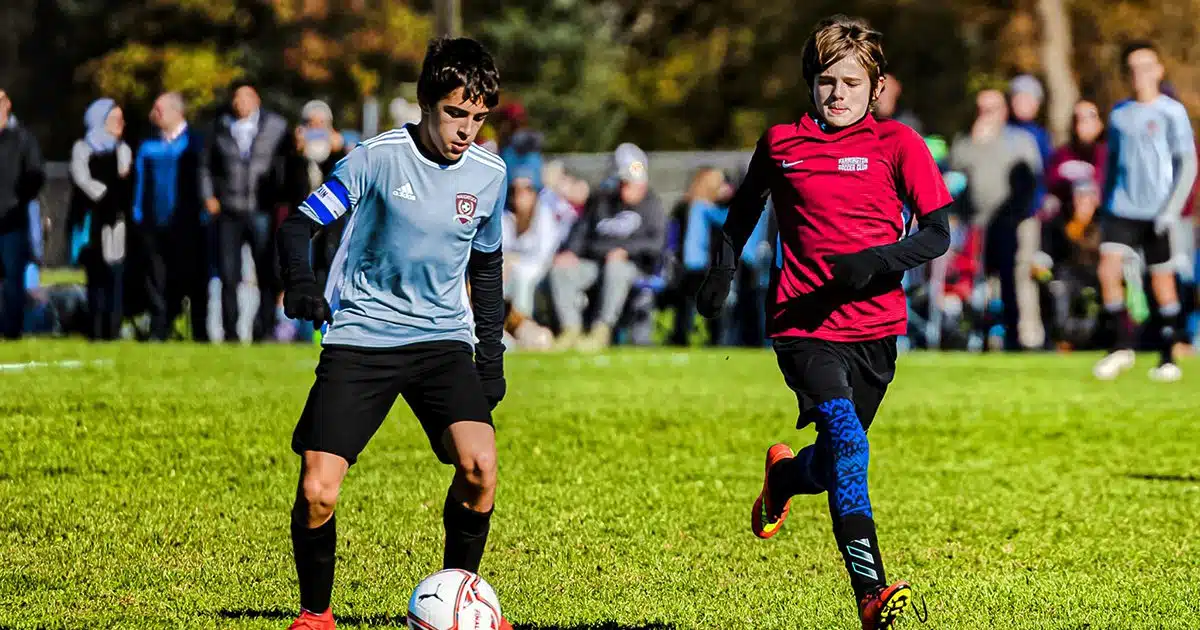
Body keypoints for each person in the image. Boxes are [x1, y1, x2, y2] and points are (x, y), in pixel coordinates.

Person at [693, 16, 950, 629]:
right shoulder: (782, 143)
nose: (838, 95)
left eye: (853, 84)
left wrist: (876, 262)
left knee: (838, 458)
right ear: (811, 83)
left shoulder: (900, 147)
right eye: (827, 82)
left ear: (876, 88)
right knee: (850, 444)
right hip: (803, 326)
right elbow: (742, 215)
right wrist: (720, 277)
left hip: (877, 331)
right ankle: (870, 594)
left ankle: (784, 476)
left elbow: (939, 234)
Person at [275, 37, 512, 630]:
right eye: (456, 113)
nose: (467, 131)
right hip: (362, 336)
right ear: (427, 102)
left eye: (478, 118)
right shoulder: (374, 158)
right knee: (317, 491)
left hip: (441, 341)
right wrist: (302, 285)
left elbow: (486, 268)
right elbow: (298, 225)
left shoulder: (489, 174)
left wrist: (492, 355)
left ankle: (460, 601)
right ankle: (315, 614)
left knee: (481, 467)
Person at [1093, 41, 1197, 381]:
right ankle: (1120, 347)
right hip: (1121, 208)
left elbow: (1187, 163)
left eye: (1146, 66)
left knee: (1161, 282)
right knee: (1108, 271)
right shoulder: (1120, 114)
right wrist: (1103, 204)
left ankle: (1167, 356)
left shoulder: (1171, 112)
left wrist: (1172, 209)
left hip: (1158, 211)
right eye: (1134, 68)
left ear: (1159, 70)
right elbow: (1112, 166)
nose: (1140, 74)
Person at [548, 143, 667, 351]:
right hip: (596, 262)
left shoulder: (652, 205)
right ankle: (570, 329)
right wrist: (571, 253)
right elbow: (582, 232)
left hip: (632, 267)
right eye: (623, 182)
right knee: (561, 270)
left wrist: (625, 251)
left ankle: (601, 330)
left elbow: (656, 244)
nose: (625, 188)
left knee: (616, 268)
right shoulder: (601, 201)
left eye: (630, 183)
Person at [949, 89, 1043, 350]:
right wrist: (977, 142)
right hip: (979, 224)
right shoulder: (967, 141)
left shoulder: (1020, 140)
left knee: (1019, 279)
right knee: (985, 283)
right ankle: (991, 339)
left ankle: (1027, 337)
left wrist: (1018, 215)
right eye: (981, 109)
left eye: (992, 109)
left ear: (1003, 111)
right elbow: (955, 171)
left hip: (1017, 223)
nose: (986, 114)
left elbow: (1031, 180)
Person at [201, 80, 290, 343]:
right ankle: (230, 332)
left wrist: (279, 197)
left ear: (257, 100)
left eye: (246, 98)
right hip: (229, 209)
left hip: (262, 209)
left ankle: (263, 329)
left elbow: (286, 163)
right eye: (237, 98)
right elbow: (205, 165)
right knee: (229, 274)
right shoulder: (220, 127)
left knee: (266, 273)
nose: (240, 103)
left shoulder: (277, 127)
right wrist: (209, 196)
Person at [132, 92, 209, 342]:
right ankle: (159, 328)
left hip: (189, 224)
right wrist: (139, 215)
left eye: (159, 109)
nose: (153, 115)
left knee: (192, 278)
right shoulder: (148, 146)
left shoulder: (195, 143)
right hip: (156, 224)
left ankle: (199, 330)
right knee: (156, 278)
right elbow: (140, 184)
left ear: (177, 112)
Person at [68, 98, 133, 341]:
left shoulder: (124, 149)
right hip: (90, 221)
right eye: (115, 119)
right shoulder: (82, 148)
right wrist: (106, 196)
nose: (120, 124)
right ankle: (95, 329)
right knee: (95, 278)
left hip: (116, 223)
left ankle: (113, 328)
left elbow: (126, 179)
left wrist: (117, 200)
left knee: (115, 275)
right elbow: (82, 179)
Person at [0, 89, 45, 340]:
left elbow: (36, 174)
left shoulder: (22, 140)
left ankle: (11, 331)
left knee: (12, 281)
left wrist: (19, 200)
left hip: (11, 222)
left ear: (7, 105)